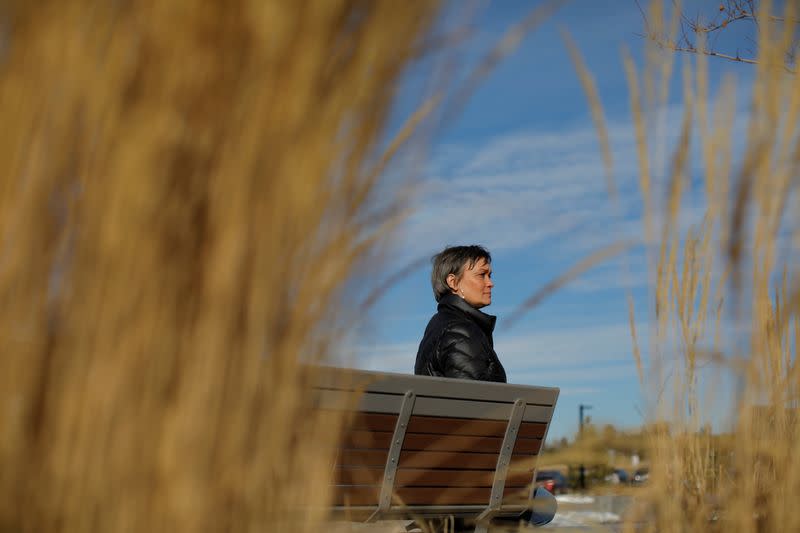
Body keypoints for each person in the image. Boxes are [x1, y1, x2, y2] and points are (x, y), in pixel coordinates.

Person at [414, 245, 506, 382]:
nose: (490, 283)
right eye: (482, 275)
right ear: (453, 282)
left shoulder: (442, 324)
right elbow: (475, 398)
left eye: (489, 275)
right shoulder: (460, 331)